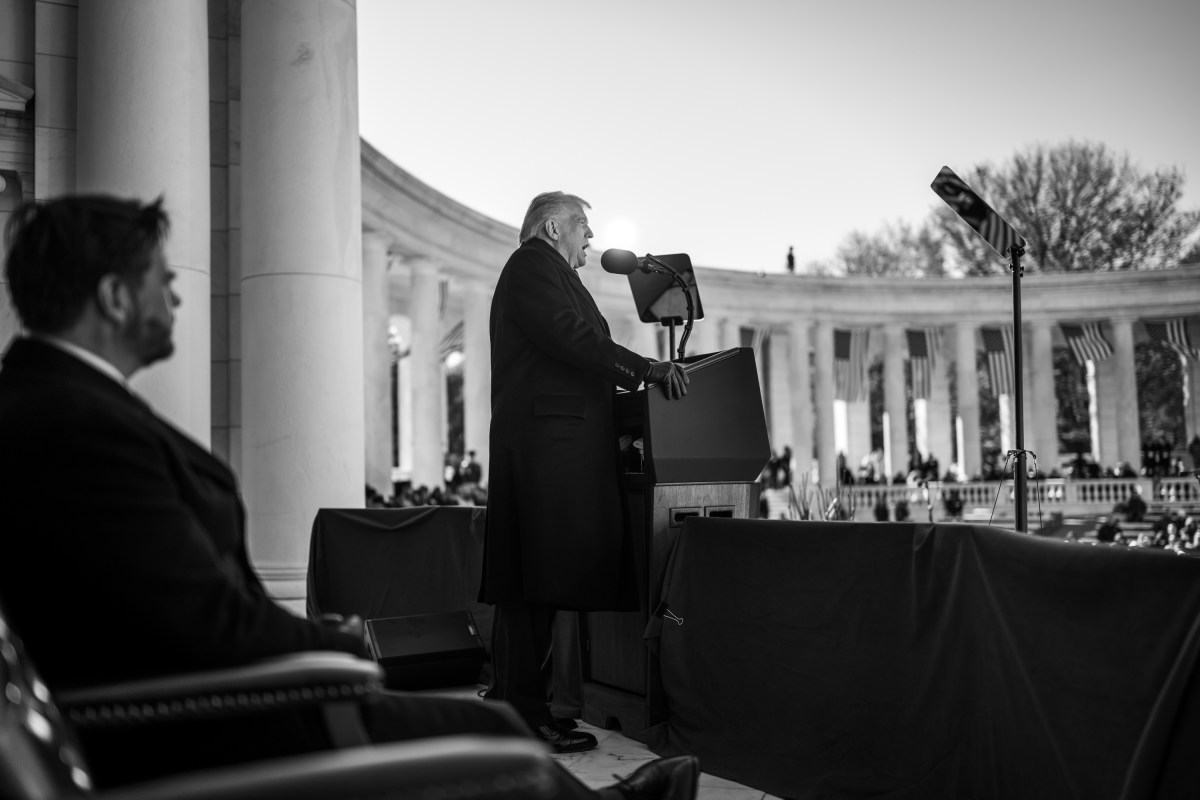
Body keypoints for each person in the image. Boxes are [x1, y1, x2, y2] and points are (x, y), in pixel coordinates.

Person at [0, 194, 698, 800]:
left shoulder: (58, 405)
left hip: (223, 702)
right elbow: (196, 618)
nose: (178, 295)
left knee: (490, 726)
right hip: (224, 723)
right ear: (115, 298)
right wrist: (332, 647)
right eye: (160, 278)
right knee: (499, 737)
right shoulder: (75, 427)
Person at [479, 192, 688, 753]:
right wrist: (644, 371)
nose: (590, 239)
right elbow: (574, 340)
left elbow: (576, 342)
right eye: (582, 227)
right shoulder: (530, 266)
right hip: (548, 450)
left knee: (534, 583)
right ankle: (523, 716)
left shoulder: (543, 270)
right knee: (533, 584)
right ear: (552, 228)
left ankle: (517, 707)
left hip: (553, 448)